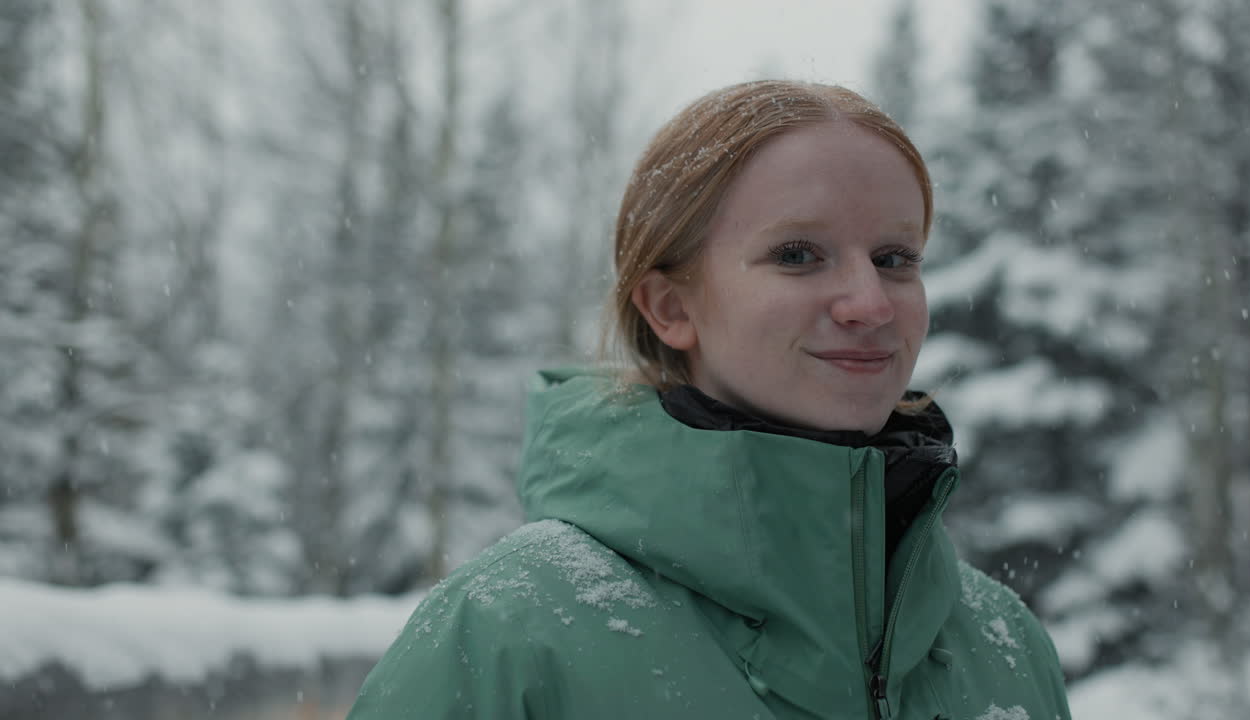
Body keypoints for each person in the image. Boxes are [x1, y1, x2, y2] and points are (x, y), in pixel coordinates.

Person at [347, 80, 1073, 720]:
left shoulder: (1000, 643)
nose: (869, 302)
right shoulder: (510, 631)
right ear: (669, 307)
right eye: (798, 255)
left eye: (894, 258)